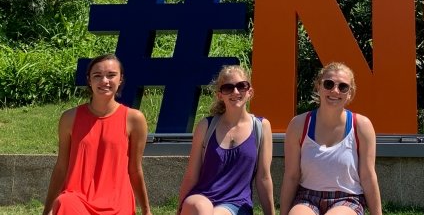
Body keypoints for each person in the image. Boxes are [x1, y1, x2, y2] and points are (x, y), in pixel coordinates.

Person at [42, 53, 152, 215]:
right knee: (65, 201)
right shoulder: (70, 118)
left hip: (117, 202)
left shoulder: (134, 119)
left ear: (120, 79)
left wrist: (146, 210)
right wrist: (47, 210)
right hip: (78, 199)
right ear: (89, 80)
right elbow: (61, 167)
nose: (104, 81)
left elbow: (135, 169)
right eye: (97, 76)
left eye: (111, 75)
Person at [280, 62, 382, 215]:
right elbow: (291, 176)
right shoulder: (299, 124)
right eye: (329, 84)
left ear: (350, 93)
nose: (335, 91)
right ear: (318, 86)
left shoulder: (361, 125)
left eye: (343, 87)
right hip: (307, 197)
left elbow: (368, 176)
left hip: (348, 198)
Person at [177, 65, 275, 215]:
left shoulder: (261, 127)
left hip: (236, 204)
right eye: (228, 88)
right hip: (201, 197)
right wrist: (179, 208)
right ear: (220, 95)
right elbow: (191, 175)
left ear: (250, 91)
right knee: (201, 208)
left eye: (241, 86)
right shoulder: (206, 126)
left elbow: (263, 178)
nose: (235, 92)